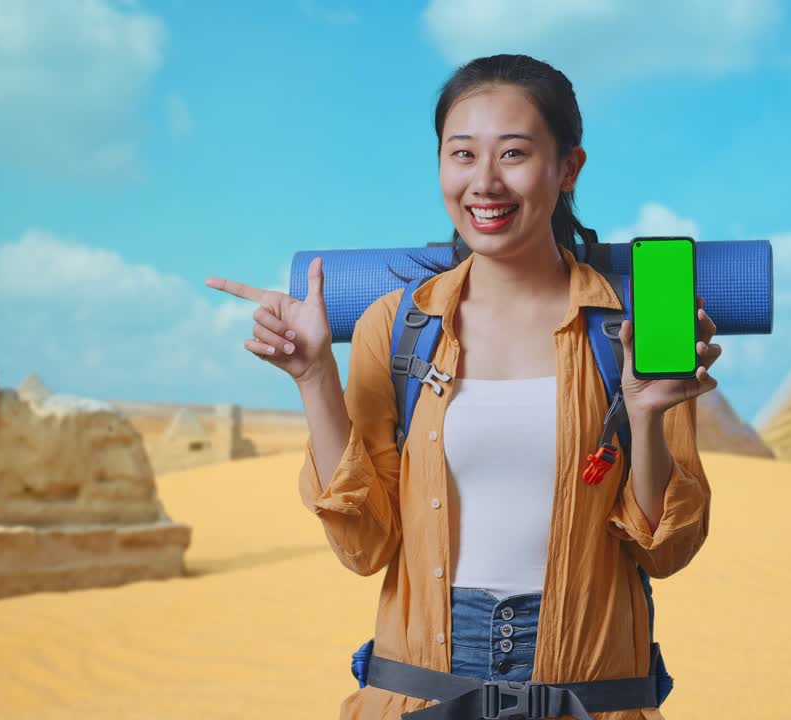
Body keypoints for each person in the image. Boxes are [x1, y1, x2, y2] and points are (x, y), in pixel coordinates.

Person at [206, 54, 721, 720]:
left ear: (568, 168)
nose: (485, 183)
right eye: (461, 155)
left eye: (513, 154)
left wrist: (646, 414)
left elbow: (667, 549)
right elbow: (364, 547)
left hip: (593, 700)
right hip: (418, 695)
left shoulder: (633, 332)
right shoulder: (394, 329)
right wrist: (313, 377)